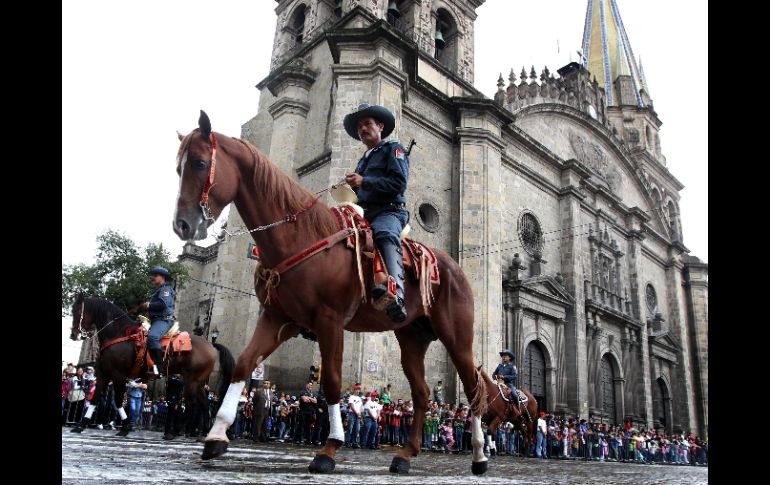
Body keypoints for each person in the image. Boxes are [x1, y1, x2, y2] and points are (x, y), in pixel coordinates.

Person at [344, 102, 410, 323]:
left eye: (368, 123)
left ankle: (397, 294)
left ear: (380, 126)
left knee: (383, 234)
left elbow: (398, 183)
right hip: (365, 213)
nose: (363, 128)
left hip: (390, 211)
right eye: (359, 126)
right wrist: (350, 189)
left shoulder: (394, 149)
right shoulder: (363, 160)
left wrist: (364, 181)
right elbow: (363, 190)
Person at [139, 266, 176, 377]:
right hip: (154, 321)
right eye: (153, 276)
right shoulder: (158, 291)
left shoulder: (165, 290)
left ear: (162, 277)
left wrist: (149, 305)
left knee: (153, 337)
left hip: (163, 320)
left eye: (156, 276)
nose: (153, 278)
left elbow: (162, 304)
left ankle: (159, 369)